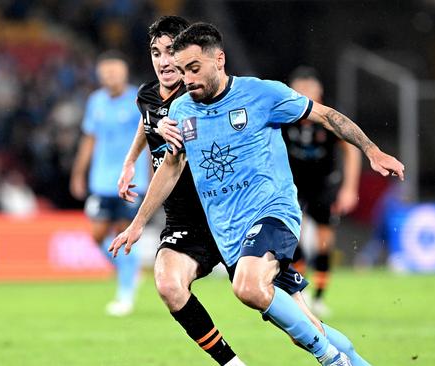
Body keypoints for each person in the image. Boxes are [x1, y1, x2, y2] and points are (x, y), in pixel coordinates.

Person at [112, 23, 404, 365]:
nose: (186, 80)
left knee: (248, 287)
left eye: (193, 69)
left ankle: (329, 359)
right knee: (300, 323)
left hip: (271, 212)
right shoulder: (182, 111)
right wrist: (138, 223)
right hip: (228, 229)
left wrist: (372, 151)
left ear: (219, 60)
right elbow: (171, 168)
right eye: (182, 71)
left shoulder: (262, 94)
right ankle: (352, 360)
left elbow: (326, 116)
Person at [117, 16, 245, 366]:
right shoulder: (146, 95)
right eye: (156, 52)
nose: (163, 60)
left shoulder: (197, 99)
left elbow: (179, 159)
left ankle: (329, 350)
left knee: (265, 297)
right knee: (170, 286)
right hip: (183, 219)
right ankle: (231, 363)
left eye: (171, 51)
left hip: (225, 214)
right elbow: (147, 125)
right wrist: (130, 162)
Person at [70, 50, 149, 317]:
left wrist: (152, 174)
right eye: (105, 72)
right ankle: (129, 271)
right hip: (101, 181)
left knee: (123, 236)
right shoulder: (96, 102)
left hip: (132, 180)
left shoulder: (137, 100)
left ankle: (125, 295)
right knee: (96, 236)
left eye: (115, 71)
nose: (110, 76)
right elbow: (90, 139)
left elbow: (149, 139)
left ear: (124, 73)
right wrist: (78, 173)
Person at [283, 66, 362, 317]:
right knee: (292, 235)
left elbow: (352, 149)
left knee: (324, 240)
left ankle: (318, 296)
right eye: (300, 90)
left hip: (324, 183)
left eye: (310, 90)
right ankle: (300, 288)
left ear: (320, 92)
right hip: (292, 183)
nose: (305, 94)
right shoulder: (284, 115)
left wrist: (349, 188)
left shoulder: (330, 117)